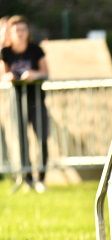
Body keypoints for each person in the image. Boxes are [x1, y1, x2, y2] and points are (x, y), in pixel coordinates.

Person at [1, 15, 49, 192]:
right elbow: (3, 74)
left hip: (36, 100)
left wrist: (33, 75)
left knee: (42, 138)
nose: (20, 33)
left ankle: (41, 178)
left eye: (23, 29)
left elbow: (45, 72)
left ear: (28, 32)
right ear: (11, 33)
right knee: (22, 141)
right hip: (16, 101)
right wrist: (10, 77)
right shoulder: (6, 52)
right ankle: (27, 178)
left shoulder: (36, 50)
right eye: (16, 30)